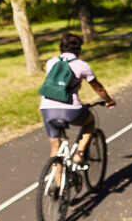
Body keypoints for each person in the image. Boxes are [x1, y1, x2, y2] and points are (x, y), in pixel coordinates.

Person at [40, 32, 115, 165]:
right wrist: (108, 100)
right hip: (71, 109)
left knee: (55, 148)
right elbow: (98, 89)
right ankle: (79, 154)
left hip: (47, 108)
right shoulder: (82, 65)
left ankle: (58, 183)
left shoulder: (50, 62)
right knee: (90, 121)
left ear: (61, 47)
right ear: (78, 49)